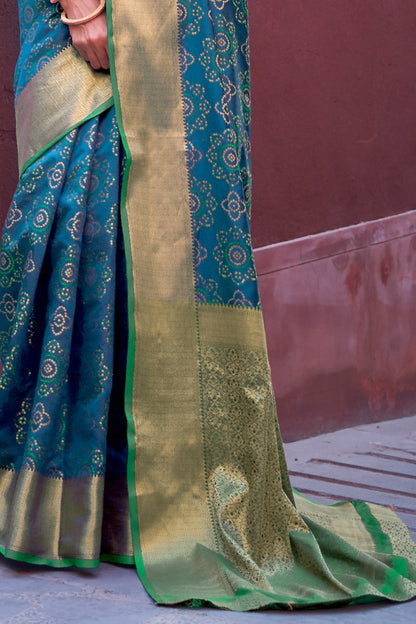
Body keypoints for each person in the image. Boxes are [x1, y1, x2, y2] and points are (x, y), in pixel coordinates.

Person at [0, 0, 415, 612]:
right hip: (98, 17)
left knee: (183, 248)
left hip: (193, 28)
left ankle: (137, 510)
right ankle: (52, 505)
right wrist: (81, 7)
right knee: (69, 218)